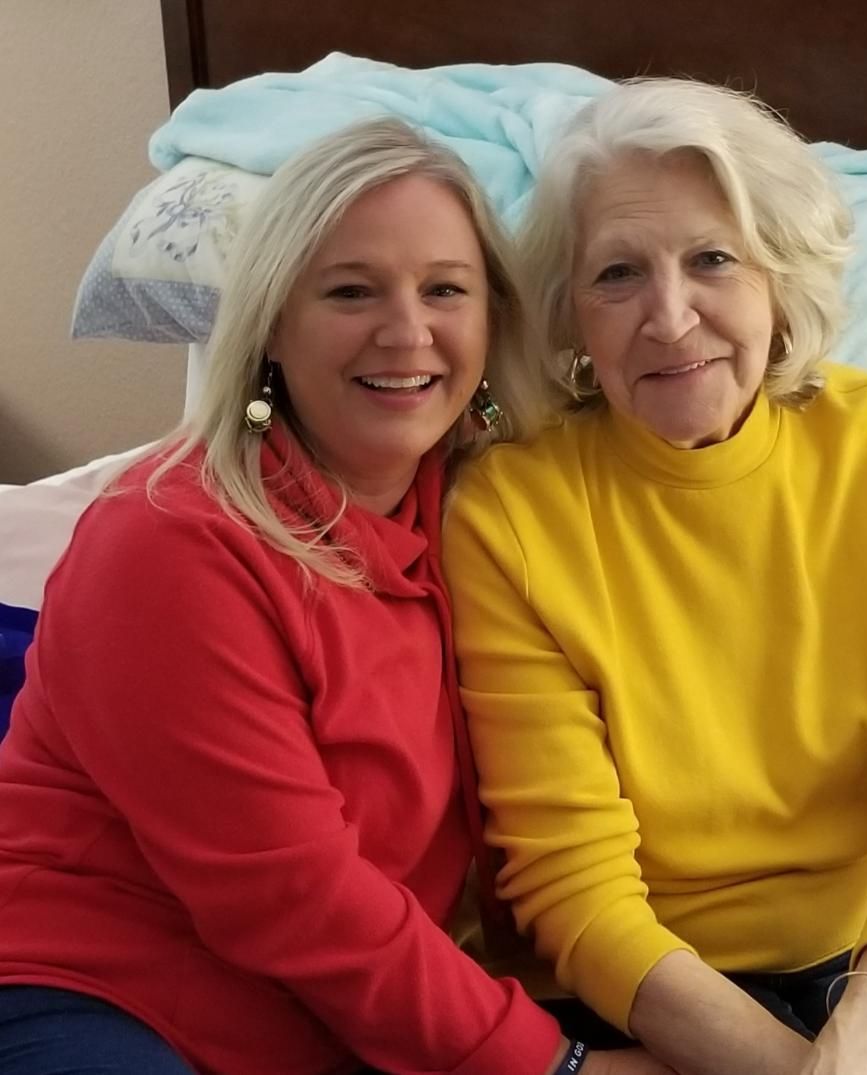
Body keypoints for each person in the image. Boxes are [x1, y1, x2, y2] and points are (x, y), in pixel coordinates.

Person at [0, 119, 675, 1075]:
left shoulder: (493, 514)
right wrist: (558, 1068)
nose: (407, 332)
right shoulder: (168, 542)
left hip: (342, 1016)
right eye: (351, 291)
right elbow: (294, 895)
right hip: (102, 990)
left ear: (492, 319)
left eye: (446, 288)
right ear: (274, 319)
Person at [442, 79, 867, 1075]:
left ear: (778, 276)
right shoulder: (510, 514)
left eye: (712, 258)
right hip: (658, 973)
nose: (670, 318)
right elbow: (571, 877)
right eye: (619, 274)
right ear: (573, 315)